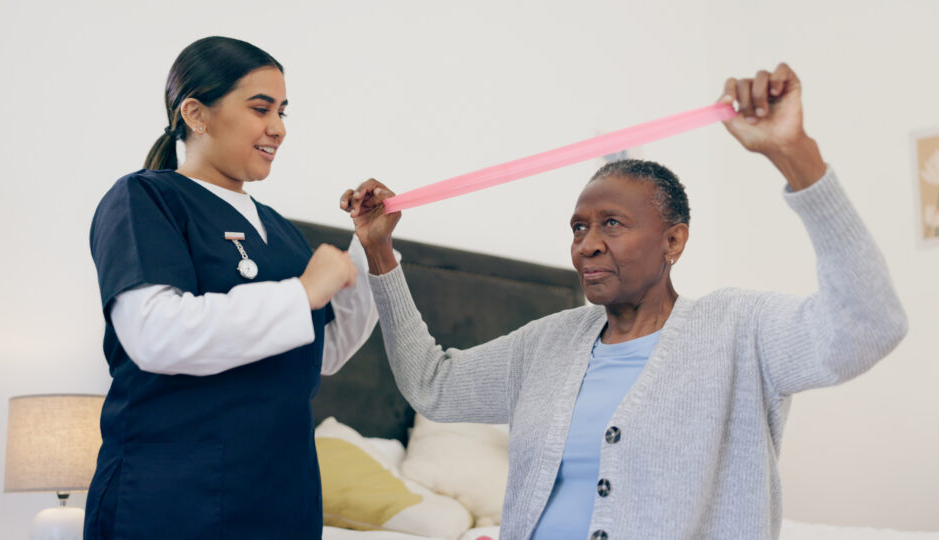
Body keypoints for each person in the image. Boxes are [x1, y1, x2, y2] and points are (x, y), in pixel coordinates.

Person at [341, 63, 908, 540]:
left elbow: (869, 325)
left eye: (611, 223)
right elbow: (431, 385)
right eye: (578, 227)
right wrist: (381, 254)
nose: (587, 243)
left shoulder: (740, 330)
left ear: (674, 241)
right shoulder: (547, 344)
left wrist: (797, 157)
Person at [85, 36, 378, 539]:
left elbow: (320, 353)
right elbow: (154, 334)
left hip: (281, 498)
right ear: (196, 114)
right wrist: (303, 292)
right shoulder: (145, 199)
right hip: (174, 502)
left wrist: (369, 250)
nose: (278, 129)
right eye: (261, 108)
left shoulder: (280, 231)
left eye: (283, 111)